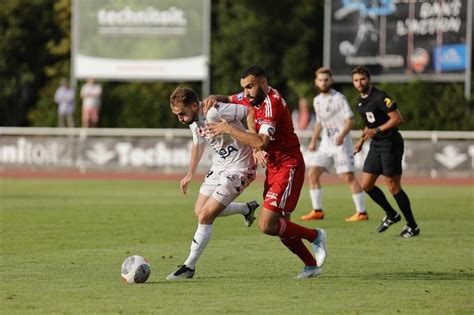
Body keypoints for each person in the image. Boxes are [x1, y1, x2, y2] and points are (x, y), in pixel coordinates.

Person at [205, 65, 327, 279]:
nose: (246, 91)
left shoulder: (272, 103)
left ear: (263, 83)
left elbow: (262, 141)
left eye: (250, 86)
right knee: (282, 226)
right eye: (244, 87)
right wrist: (216, 96)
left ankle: (315, 235)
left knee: (267, 224)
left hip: (288, 165)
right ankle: (311, 265)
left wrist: (228, 129)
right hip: (273, 167)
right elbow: (231, 99)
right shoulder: (251, 96)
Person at [167, 87, 259, 280]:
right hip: (219, 167)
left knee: (206, 215)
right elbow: (198, 144)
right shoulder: (194, 121)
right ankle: (246, 209)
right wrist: (189, 174)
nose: (181, 118)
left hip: (240, 168)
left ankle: (188, 267)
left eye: (182, 113)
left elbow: (249, 111)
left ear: (194, 105)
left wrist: (255, 142)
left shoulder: (215, 110)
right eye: (177, 115)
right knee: (200, 211)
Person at [351, 65, 420, 238]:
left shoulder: (381, 97)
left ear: (369, 79)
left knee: (393, 186)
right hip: (376, 145)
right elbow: (370, 124)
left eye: (362, 79)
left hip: (391, 144)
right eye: (356, 80)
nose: (359, 83)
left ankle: (412, 226)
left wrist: (376, 132)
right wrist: (361, 140)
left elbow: (397, 118)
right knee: (366, 184)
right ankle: (391, 214)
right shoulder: (360, 101)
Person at [300, 67, 367, 222]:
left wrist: (342, 135)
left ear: (331, 81)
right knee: (312, 174)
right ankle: (317, 211)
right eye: (320, 80)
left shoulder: (339, 98)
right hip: (325, 146)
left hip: (341, 145)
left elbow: (350, 120)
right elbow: (319, 122)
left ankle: (361, 212)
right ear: (316, 82)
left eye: (326, 79)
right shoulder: (317, 100)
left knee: (347, 177)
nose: (323, 82)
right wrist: (312, 141)